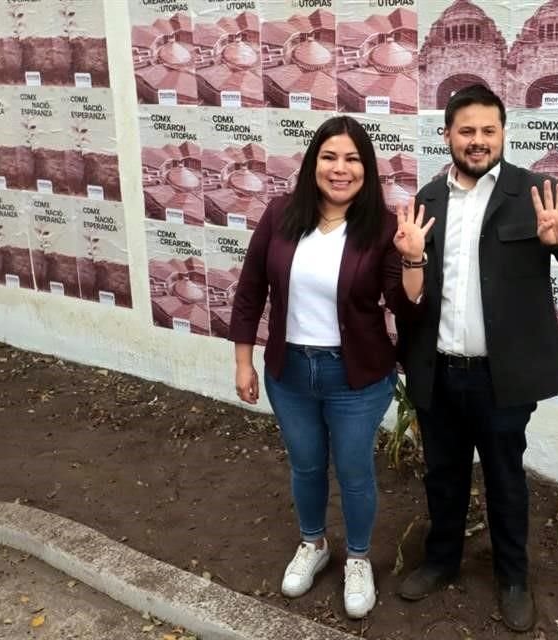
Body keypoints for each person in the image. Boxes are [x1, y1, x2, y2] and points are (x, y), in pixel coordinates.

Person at [394, 84, 558, 632]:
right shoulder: (427, 201)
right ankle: (441, 560)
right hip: (440, 371)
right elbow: (414, 294)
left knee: (505, 479)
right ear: (447, 135)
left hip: (502, 378)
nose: (478, 141)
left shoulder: (535, 192)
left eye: (489, 130)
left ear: (503, 134)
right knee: (442, 474)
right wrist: (410, 261)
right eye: (466, 130)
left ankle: (513, 577)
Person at [229, 115, 433, 618]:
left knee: (355, 471)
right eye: (329, 157)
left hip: (356, 377)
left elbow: (405, 308)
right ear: (313, 163)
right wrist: (243, 362)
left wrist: (412, 260)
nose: (340, 169)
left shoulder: (383, 228)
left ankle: (358, 558)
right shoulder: (280, 215)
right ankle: (314, 544)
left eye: (352, 159)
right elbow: (251, 291)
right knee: (305, 465)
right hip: (290, 372)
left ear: (366, 168)